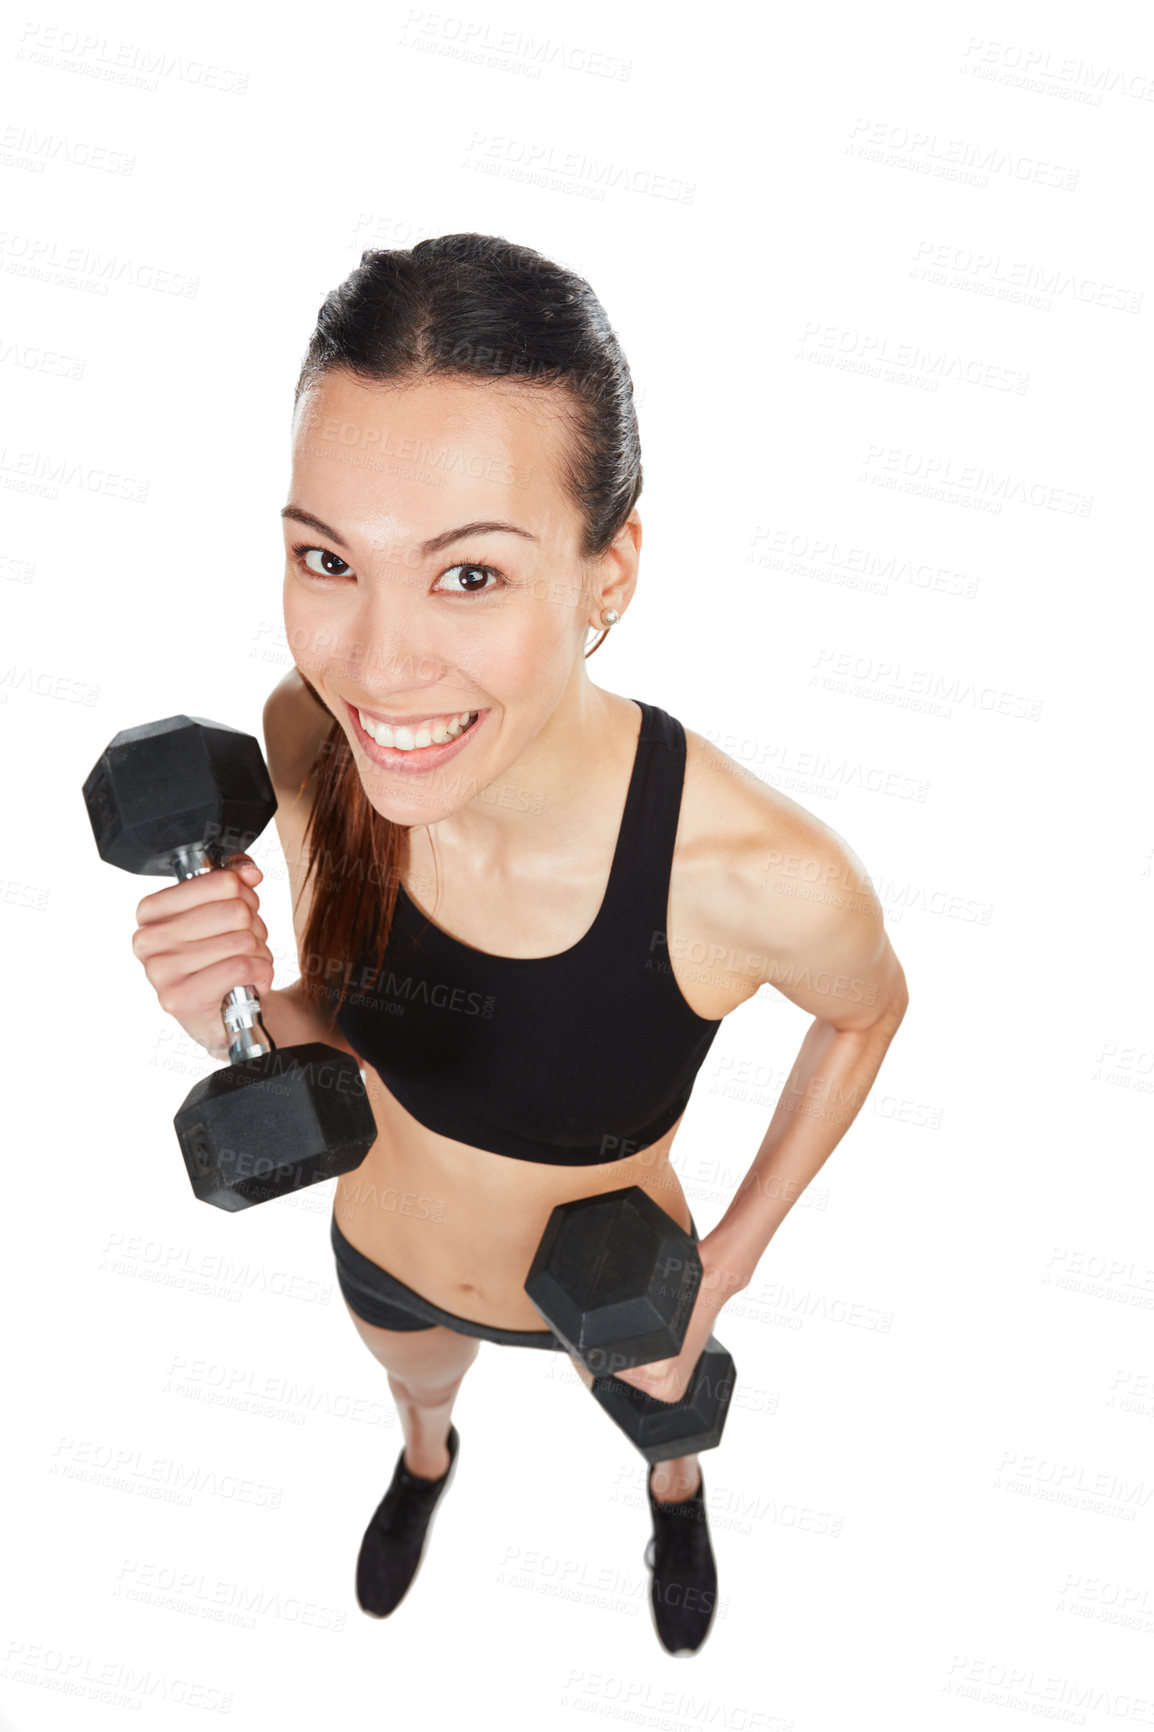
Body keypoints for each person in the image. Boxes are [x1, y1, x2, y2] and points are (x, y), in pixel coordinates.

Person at [130, 233, 909, 1657]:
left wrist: (726, 1263)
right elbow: (365, 1029)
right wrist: (235, 1018)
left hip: (627, 1297)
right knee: (414, 1397)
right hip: (383, 1241)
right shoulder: (312, 747)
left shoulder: (749, 872)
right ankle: (427, 1466)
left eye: (469, 576)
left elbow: (864, 1013)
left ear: (608, 568)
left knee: (667, 1437)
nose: (375, 662)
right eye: (326, 559)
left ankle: (673, 1498)